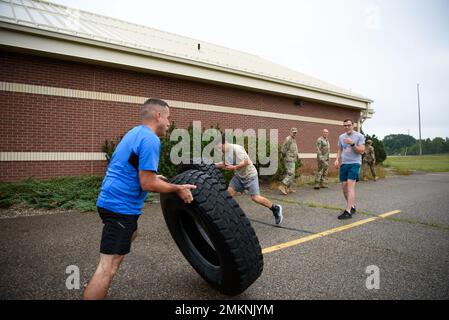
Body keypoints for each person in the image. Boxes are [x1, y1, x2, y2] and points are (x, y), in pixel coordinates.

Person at [83, 98, 196, 300]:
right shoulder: (151, 139)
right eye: (169, 118)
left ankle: (121, 243)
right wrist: (177, 188)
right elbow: (147, 184)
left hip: (111, 202)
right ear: (158, 116)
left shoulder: (134, 133)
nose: (170, 123)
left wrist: (155, 177)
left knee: (132, 233)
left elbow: (133, 167)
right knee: (107, 268)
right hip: (120, 208)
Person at [215, 135, 283, 225]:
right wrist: (212, 164)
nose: (220, 150)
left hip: (250, 176)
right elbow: (224, 164)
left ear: (224, 143)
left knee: (255, 198)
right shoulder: (226, 153)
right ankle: (227, 217)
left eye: (220, 148)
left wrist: (234, 167)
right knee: (228, 194)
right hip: (239, 177)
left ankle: (275, 208)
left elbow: (246, 161)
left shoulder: (237, 148)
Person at [334, 119, 365, 220]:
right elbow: (340, 149)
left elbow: (361, 151)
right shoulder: (341, 137)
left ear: (353, 125)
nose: (347, 127)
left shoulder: (359, 136)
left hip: (354, 164)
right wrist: (337, 160)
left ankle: (348, 211)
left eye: (349, 125)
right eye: (345, 125)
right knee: (344, 188)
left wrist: (352, 144)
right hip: (344, 164)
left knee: (350, 187)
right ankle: (352, 206)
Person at [279, 128, 299, 195]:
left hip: (292, 159)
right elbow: (283, 149)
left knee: (291, 174)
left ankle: (288, 188)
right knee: (291, 173)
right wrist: (285, 157)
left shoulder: (293, 139)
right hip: (289, 159)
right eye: (293, 132)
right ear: (290, 132)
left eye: (295, 132)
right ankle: (282, 185)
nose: (294, 133)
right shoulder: (288, 139)